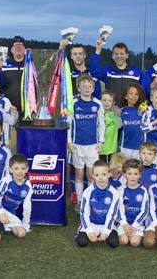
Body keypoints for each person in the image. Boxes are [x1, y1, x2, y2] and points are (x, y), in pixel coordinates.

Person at [67, 74, 105, 212]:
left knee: (91, 174)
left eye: (90, 86)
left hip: (92, 146)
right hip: (77, 145)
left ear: (93, 88)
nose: (87, 89)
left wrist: (101, 141)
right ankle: (80, 201)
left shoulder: (98, 104)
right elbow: (69, 123)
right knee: (79, 174)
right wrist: (69, 141)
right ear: (78, 88)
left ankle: (89, 200)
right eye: (84, 86)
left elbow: (101, 124)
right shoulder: (73, 102)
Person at [75, 160, 120, 248]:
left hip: (106, 223)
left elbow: (112, 214)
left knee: (113, 243)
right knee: (82, 242)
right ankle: (83, 230)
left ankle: (105, 233)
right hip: (92, 223)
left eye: (104, 174)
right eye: (97, 175)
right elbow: (84, 213)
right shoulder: (88, 192)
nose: (100, 178)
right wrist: (89, 231)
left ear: (109, 174)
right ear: (92, 176)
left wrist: (106, 232)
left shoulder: (114, 193)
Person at [90, 39, 143, 107]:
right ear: (112, 56)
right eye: (116, 54)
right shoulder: (108, 70)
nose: (119, 56)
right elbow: (94, 71)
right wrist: (97, 51)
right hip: (112, 110)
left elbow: (143, 91)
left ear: (127, 55)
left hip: (131, 110)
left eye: (122, 53)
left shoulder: (136, 72)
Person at [0, 154, 33, 238]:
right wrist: (1, 213)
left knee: (21, 233)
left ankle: (5, 225)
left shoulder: (28, 186)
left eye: (23, 168)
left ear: (27, 170)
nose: (20, 172)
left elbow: (27, 206)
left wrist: (26, 225)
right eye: (16, 168)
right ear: (10, 169)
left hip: (10, 213)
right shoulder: (6, 181)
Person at [117, 159, 149, 247]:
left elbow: (145, 211)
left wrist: (135, 225)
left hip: (137, 224)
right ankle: (118, 232)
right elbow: (118, 209)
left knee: (134, 242)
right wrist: (124, 224)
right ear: (124, 175)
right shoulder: (120, 190)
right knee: (123, 241)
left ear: (140, 175)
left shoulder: (143, 191)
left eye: (136, 174)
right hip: (124, 222)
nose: (133, 177)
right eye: (129, 174)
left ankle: (141, 235)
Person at [0, 36, 27, 112]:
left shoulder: (31, 65)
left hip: (29, 109)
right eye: (15, 45)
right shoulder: (3, 65)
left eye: (21, 45)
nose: (18, 47)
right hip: (8, 108)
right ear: (11, 50)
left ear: (25, 49)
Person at [119, 84, 146, 159]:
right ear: (126, 96)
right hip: (125, 147)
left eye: (136, 94)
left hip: (139, 148)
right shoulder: (121, 111)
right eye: (131, 93)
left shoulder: (143, 111)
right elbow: (117, 126)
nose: (134, 96)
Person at [99, 90, 119, 164]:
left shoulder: (115, 114)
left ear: (113, 103)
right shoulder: (97, 115)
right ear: (100, 101)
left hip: (111, 149)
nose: (107, 102)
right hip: (100, 149)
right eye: (104, 100)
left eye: (110, 100)